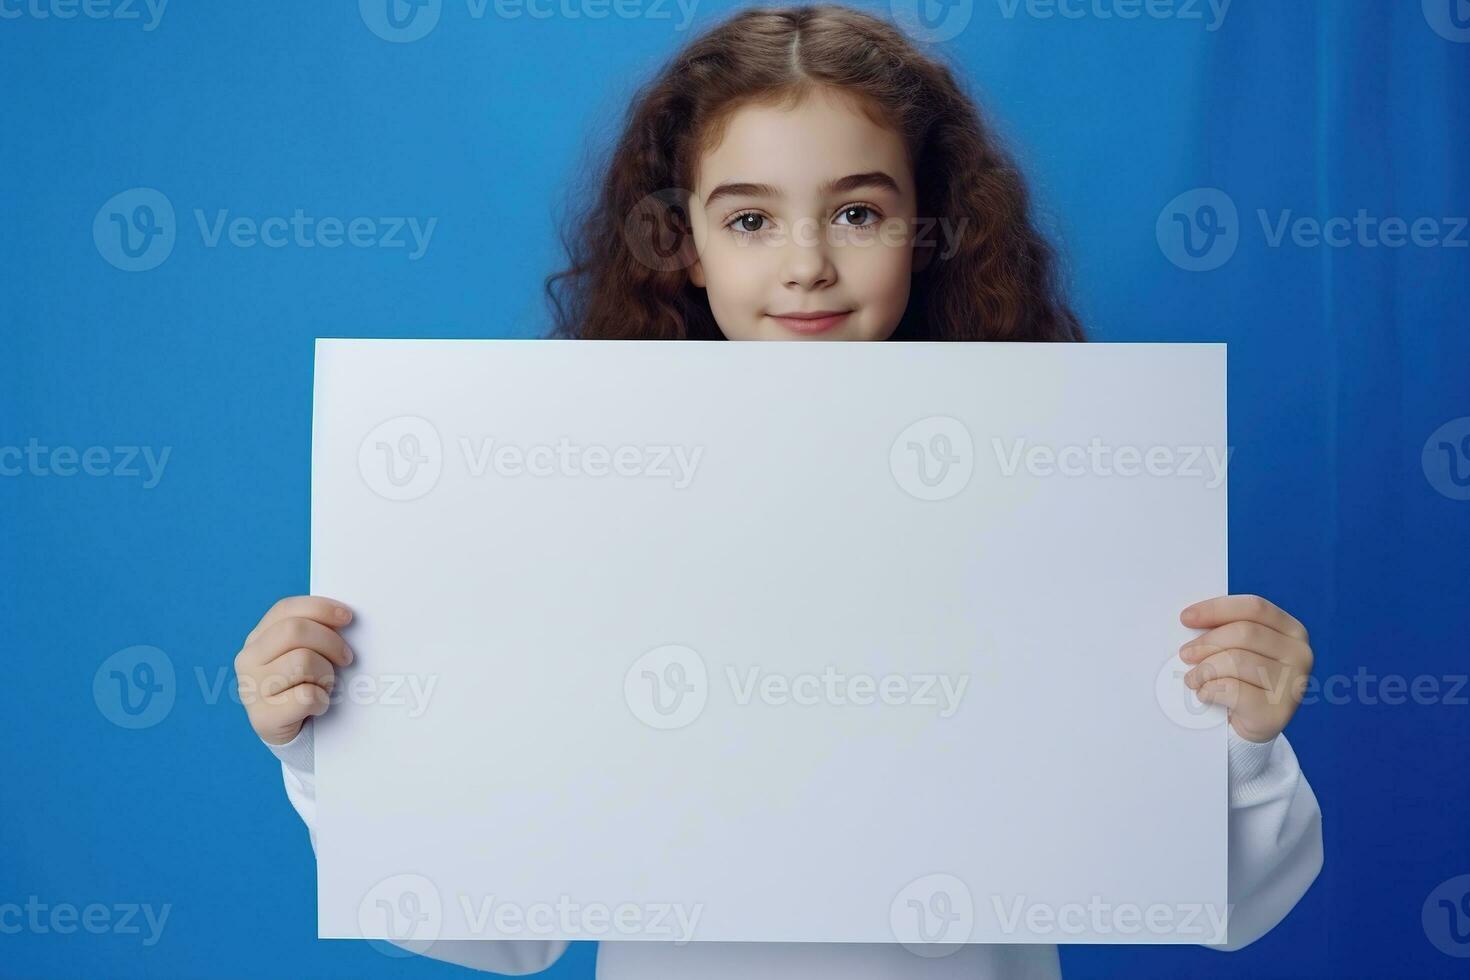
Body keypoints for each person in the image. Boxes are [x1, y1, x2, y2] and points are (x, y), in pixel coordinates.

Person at [234, 6, 1322, 977]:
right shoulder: (571, 505)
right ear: (688, 246)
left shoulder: (1066, 498)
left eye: (857, 212)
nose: (806, 263)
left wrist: (1245, 736)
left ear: (930, 230)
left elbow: (1224, 904)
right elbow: (495, 930)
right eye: (750, 219)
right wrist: (333, 740)